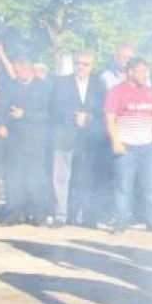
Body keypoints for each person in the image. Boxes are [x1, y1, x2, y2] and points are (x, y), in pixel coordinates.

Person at [104, 57, 152, 233]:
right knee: (124, 187)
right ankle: (120, 222)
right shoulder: (117, 91)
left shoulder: (149, 93)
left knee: (151, 187)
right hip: (126, 147)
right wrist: (115, 141)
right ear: (130, 72)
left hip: (147, 148)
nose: (145, 75)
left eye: (146, 72)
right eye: (141, 71)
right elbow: (110, 118)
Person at [49, 51, 106, 228]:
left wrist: (88, 117)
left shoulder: (98, 85)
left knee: (85, 178)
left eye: (85, 64)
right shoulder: (61, 83)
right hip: (64, 135)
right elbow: (55, 107)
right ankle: (60, 215)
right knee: (60, 177)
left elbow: (103, 110)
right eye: (78, 63)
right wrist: (74, 116)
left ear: (92, 66)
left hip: (88, 139)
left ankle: (81, 215)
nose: (81, 67)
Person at [0, 57, 52, 226]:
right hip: (13, 139)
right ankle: (13, 213)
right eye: (17, 71)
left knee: (35, 178)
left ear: (30, 69)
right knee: (14, 177)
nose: (19, 74)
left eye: (22, 71)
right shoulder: (10, 85)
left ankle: (38, 214)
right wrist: (0, 124)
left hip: (37, 140)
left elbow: (48, 114)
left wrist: (25, 115)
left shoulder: (44, 87)